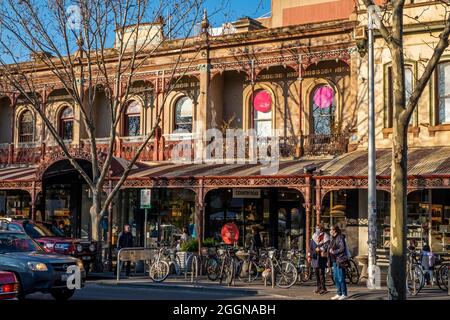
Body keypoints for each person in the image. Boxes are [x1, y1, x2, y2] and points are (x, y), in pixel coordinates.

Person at [308, 223, 330, 295]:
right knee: (316, 273)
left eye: (318, 228)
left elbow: (327, 245)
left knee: (321, 273)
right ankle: (318, 287)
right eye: (316, 228)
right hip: (314, 257)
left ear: (321, 229)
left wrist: (320, 248)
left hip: (321, 257)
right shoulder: (313, 236)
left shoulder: (325, 236)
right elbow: (310, 247)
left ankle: (323, 288)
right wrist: (309, 256)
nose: (317, 229)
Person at [328, 225, 349, 300]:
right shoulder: (332, 238)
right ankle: (338, 293)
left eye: (331, 229)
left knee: (341, 277)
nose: (330, 231)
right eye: (330, 229)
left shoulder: (340, 237)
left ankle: (344, 293)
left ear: (335, 230)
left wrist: (334, 251)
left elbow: (342, 248)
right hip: (334, 260)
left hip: (340, 260)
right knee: (336, 278)